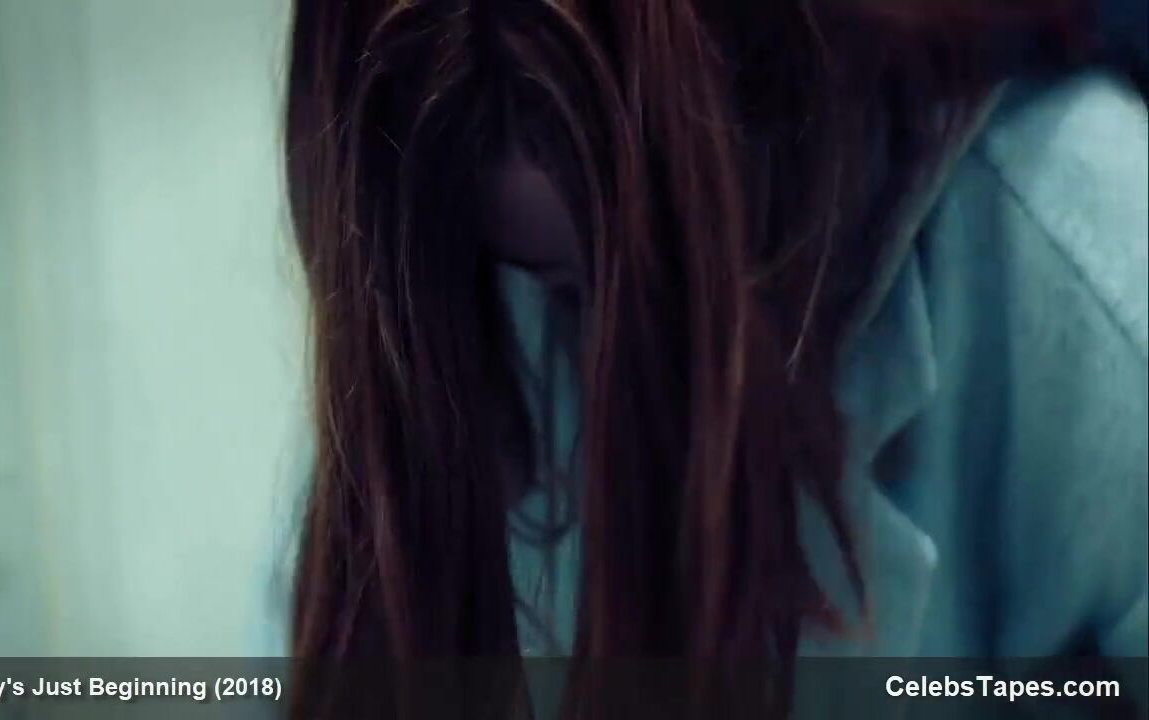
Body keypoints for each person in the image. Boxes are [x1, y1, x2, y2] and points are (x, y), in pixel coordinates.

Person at [262, 0, 1148, 716]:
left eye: (656, 275)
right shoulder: (444, 309)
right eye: (548, 280)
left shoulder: (1083, 266)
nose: (591, 339)